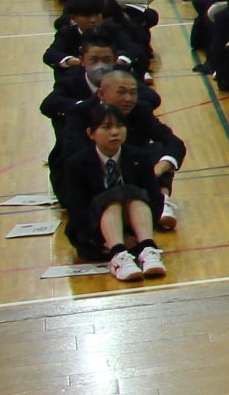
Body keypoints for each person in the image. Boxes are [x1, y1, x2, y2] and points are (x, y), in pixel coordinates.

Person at [55, 106, 167, 281]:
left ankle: (148, 249)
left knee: (134, 194)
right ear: (91, 133)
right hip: (95, 237)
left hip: (134, 235)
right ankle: (118, 256)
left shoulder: (141, 157)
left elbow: (155, 199)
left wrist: (133, 236)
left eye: (120, 126)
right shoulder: (76, 164)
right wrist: (103, 240)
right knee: (111, 197)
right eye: (106, 127)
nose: (115, 132)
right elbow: (76, 210)